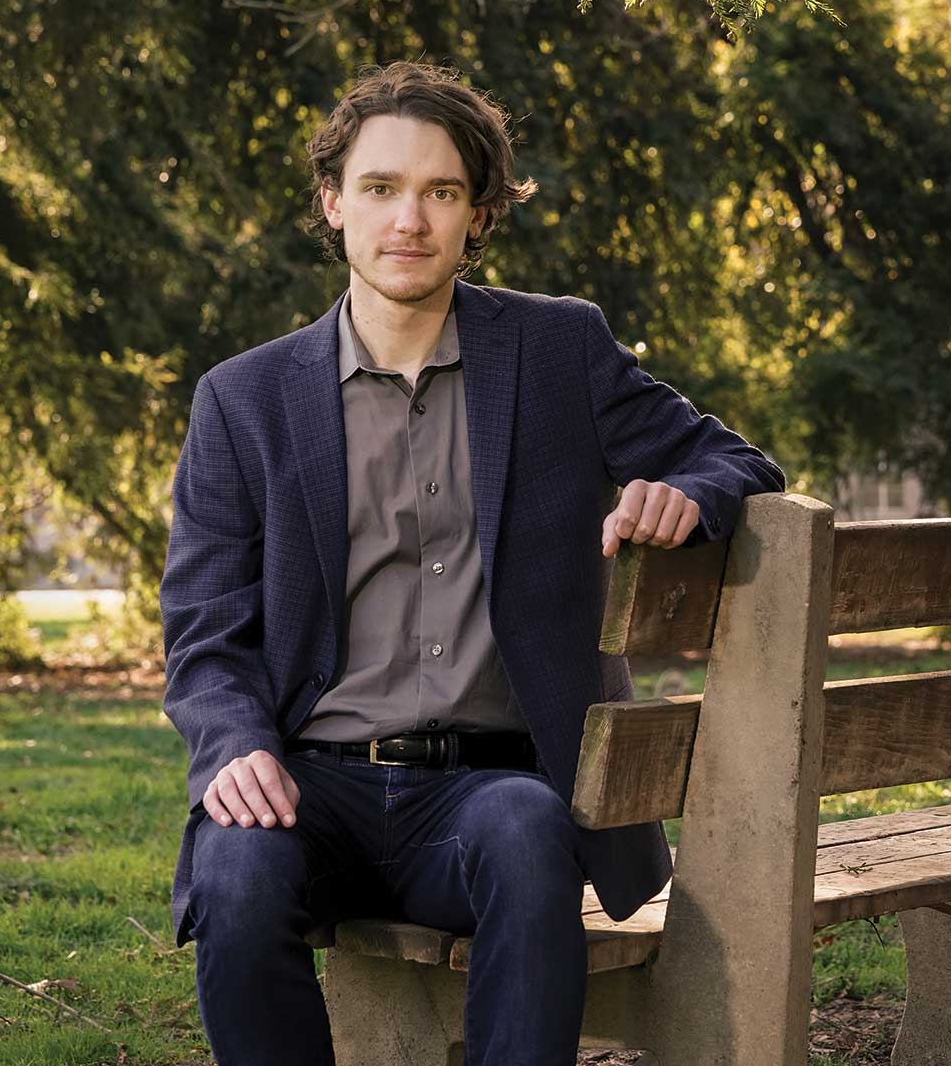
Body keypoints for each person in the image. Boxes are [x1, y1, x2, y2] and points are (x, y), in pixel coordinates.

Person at [158, 60, 785, 1066]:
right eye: (381, 187)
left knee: (532, 841)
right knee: (233, 877)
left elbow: (738, 462)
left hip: (488, 791)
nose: (410, 219)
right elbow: (204, 628)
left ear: (478, 214)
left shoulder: (556, 350)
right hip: (310, 786)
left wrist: (687, 494)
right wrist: (233, 744)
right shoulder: (244, 400)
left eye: (441, 192)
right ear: (333, 203)